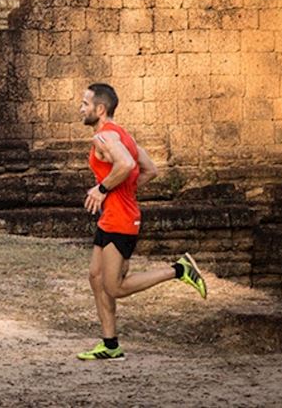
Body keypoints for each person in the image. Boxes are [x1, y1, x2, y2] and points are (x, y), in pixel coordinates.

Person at [77, 82, 206, 361]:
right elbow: (150, 170)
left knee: (115, 286)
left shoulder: (104, 139)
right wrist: (121, 192)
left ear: (100, 109)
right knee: (96, 278)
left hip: (120, 221)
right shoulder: (124, 135)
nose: (81, 108)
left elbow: (126, 165)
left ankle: (179, 270)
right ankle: (110, 345)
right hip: (112, 216)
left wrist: (102, 190)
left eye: (85, 104)